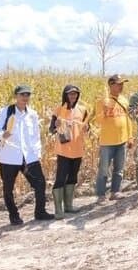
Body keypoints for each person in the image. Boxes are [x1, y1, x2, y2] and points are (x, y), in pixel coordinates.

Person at [0, 85, 54, 225]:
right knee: (8, 188)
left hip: (29, 156)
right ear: (16, 96)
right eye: (22, 94)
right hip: (9, 156)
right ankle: (14, 216)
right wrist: (3, 134)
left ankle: (40, 212)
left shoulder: (32, 114)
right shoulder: (5, 111)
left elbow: (36, 135)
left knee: (40, 183)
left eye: (27, 95)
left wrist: (37, 152)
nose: (25, 97)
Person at [90, 74, 133, 203]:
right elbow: (97, 121)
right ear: (111, 85)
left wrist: (130, 136)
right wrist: (105, 111)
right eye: (118, 84)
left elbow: (128, 120)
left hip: (122, 140)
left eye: (122, 84)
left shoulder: (124, 100)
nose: (121, 86)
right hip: (107, 142)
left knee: (119, 169)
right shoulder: (102, 101)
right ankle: (101, 195)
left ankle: (115, 192)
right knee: (104, 169)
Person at [48, 85, 88, 219]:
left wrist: (87, 127)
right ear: (65, 95)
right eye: (70, 94)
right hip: (64, 150)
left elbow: (87, 128)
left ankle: (69, 206)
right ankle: (59, 210)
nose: (73, 96)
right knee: (60, 178)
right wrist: (56, 125)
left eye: (75, 94)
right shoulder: (59, 110)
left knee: (72, 177)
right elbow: (51, 129)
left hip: (78, 149)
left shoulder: (82, 110)